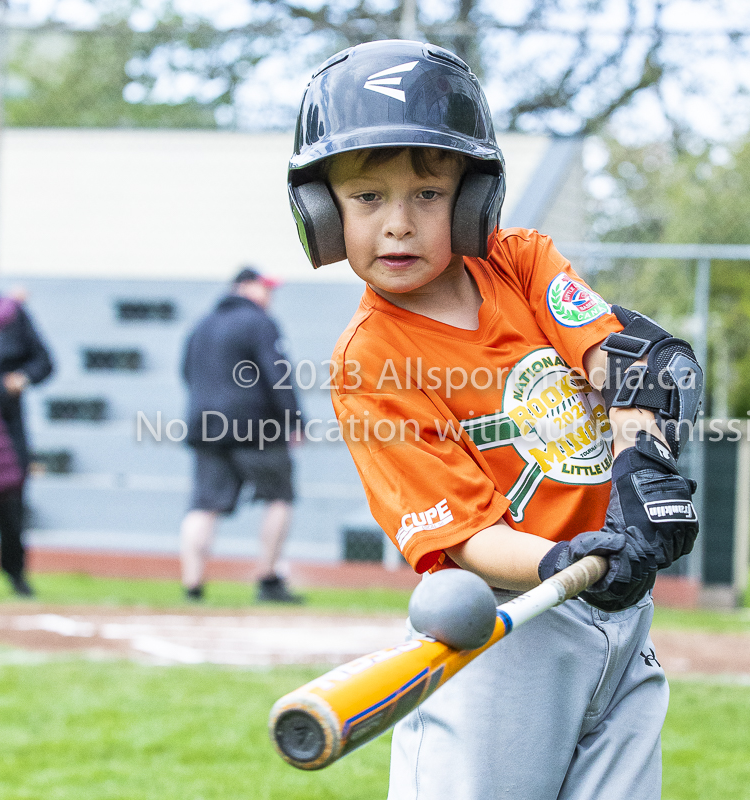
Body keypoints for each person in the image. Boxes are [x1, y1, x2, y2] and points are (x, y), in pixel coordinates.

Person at [288, 41, 703, 799]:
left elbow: (621, 363)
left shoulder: (519, 261)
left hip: (618, 610)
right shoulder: (371, 362)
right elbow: (467, 537)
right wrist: (561, 560)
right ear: (321, 213)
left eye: (428, 194)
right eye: (366, 197)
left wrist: (640, 464)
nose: (398, 226)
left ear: (473, 197)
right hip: (507, 625)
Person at [179, 266, 305, 604]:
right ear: (246, 287)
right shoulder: (260, 322)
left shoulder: (202, 325)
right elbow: (277, 373)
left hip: (206, 424)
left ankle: (192, 584)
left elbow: (186, 372)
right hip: (256, 425)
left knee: (205, 505)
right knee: (279, 497)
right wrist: (294, 419)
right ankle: (268, 578)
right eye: (266, 288)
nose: (270, 295)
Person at [0, 250, 49, 597]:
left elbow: (44, 362)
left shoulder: (14, 317)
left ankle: (15, 574)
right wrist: (12, 304)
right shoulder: (7, 312)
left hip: (4, 428)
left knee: (10, 508)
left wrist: (22, 378)